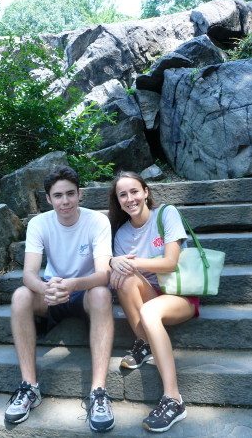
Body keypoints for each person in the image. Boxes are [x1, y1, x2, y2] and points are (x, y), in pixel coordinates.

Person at [5, 165, 115, 433]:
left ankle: (98, 392)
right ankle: (29, 387)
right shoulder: (39, 223)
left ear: (80, 194)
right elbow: (29, 274)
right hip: (52, 291)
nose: (64, 201)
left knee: (102, 294)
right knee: (20, 296)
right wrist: (45, 290)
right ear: (48, 199)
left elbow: (104, 274)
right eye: (58, 196)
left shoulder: (97, 221)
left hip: (85, 290)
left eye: (70, 194)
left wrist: (74, 284)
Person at [108, 171, 200, 433]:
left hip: (179, 294)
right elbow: (119, 272)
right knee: (123, 279)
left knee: (146, 305)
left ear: (146, 192)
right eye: (122, 194)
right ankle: (145, 343)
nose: (130, 198)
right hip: (150, 292)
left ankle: (174, 399)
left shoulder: (166, 214)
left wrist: (130, 262)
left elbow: (170, 263)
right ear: (118, 200)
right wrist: (114, 262)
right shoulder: (122, 234)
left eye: (134, 191)